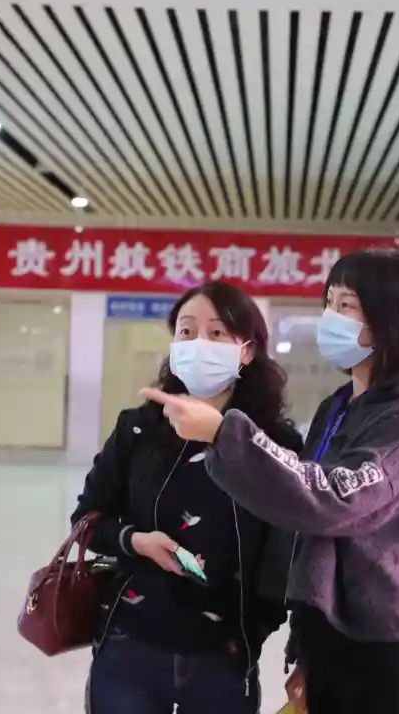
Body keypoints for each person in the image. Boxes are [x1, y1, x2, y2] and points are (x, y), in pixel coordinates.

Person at [143, 250, 399, 714]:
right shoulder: (338, 406)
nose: (330, 317)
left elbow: (334, 498)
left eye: (346, 306)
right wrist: (305, 644)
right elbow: (299, 509)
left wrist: (224, 432)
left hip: (385, 635)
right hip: (328, 627)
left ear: (391, 318)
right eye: (329, 303)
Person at [73, 281, 303, 714]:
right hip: (130, 644)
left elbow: (283, 556)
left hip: (222, 657)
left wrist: (250, 633)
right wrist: (136, 541)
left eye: (217, 333)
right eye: (187, 331)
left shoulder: (273, 443)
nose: (199, 343)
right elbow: (88, 519)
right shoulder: (139, 429)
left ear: (247, 351)